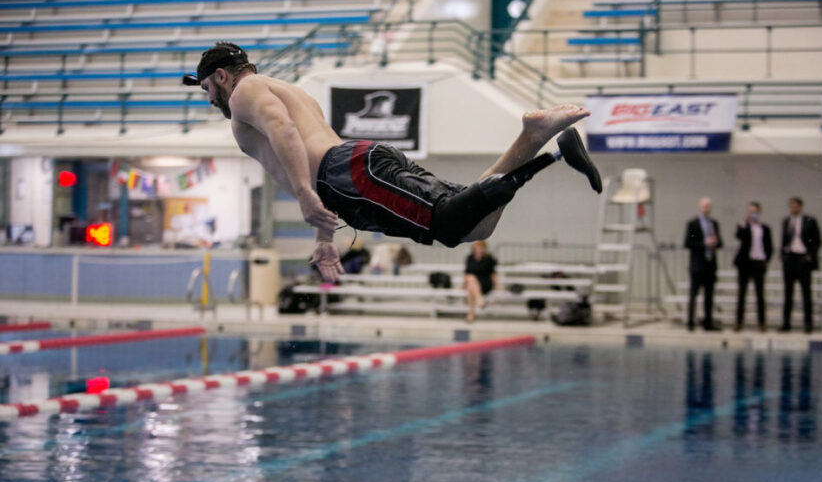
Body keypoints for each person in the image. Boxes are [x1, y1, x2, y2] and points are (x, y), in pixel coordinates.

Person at [182, 42, 601, 282]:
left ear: (221, 76)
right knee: (476, 223)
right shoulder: (281, 87)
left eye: (206, 88)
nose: (210, 98)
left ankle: (551, 152)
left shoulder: (243, 92)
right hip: (350, 174)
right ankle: (533, 137)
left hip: (343, 176)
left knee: (456, 226)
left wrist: (308, 197)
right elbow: (294, 149)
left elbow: (285, 134)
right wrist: (322, 233)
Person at [780, 197, 822, 333]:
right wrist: (783, 255)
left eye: (796, 206)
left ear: (800, 207)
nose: (793, 208)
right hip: (790, 258)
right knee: (788, 293)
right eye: (791, 206)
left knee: (806, 293)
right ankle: (786, 323)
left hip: (803, 258)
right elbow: (784, 240)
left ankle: (808, 323)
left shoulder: (810, 221)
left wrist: (810, 255)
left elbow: (817, 240)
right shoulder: (787, 221)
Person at [733, 201, 773, 332]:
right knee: (741, 295)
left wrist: (766, 260)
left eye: (755, 212)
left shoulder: (765, 229)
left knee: (760, 295)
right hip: (745, 264)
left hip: (759, 263)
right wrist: (744, 222)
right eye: (751, 212)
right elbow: (738, 236)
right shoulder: (744, 227)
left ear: (759, 212)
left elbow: (769, 247)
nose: (753, 214)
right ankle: (738, 322)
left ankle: (762, 323)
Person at [684, 197, 723, 331]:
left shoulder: (714, 224)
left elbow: (720, 243)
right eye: (704, 206)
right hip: (697, 265)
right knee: (693, 295)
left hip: (710, 265)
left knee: (709, 296)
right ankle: (690, 322)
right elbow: (688, 242)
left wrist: (715, 242)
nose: (706, 208)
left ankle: (708, 323)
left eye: (708, 206)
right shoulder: (693, 224)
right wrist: (704, 243)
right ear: (700, 207)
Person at [463, 240, 498, 323]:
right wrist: (463, 285)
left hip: (485, 283)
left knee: (471, 283)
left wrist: (497, 285)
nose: (479, 249)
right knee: (471, 281)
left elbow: (493, 273)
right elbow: (466, 273)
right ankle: (479, 301)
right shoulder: (470, 258)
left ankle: (471, 314)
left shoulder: (488, 259)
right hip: (473, 284)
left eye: (480, 247)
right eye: (477, 247)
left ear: (484, 248)